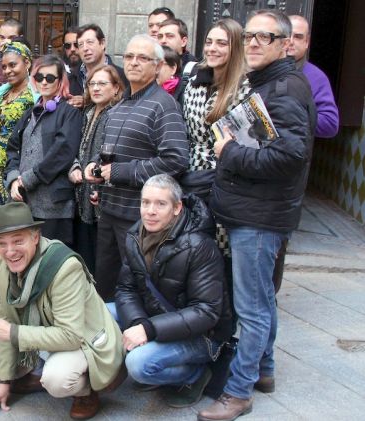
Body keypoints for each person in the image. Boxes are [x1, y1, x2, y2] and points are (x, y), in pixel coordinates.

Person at [198, 10, 316, 421]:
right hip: (254, 210)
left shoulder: (283, 88)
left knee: (252, 307)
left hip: (259, 217)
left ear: (285, 44)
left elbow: (289, 155)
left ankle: (239, 391)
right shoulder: (271, 81)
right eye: (248, 35)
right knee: (262, 298)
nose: (251, 43)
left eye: (263, 37)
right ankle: (263, 370)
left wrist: (229, 152)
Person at [0, 202, 126, 420]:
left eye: (18, 241)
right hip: (44, 331)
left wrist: (12, 332)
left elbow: (71, 336)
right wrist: (4, 381)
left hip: (84, 339)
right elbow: (5, 318)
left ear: (35, 237)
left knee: (57, 379)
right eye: (2, 243)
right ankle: (29, 374)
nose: (10, 251)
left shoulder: (64, 267)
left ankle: (89, 389)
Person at [84, 34, 189, 301]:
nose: (133, 63)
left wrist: (121, 172)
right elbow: (109, 154)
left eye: (143, 58)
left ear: (157, 66)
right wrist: (95, 167)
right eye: (129, 57)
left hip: (139, 217)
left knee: (139, 290)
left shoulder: (165, 105)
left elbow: (176, 159)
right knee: (105, 286)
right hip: (109, 211)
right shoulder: (118, 107)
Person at [115, 174, 233, 408]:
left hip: (204, 336)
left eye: (160, 204)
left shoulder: (199, 245)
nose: (150, 211)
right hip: (159, 318)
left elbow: (207, 312)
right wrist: (138, 322)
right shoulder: (135, 235)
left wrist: (148, 330)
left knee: (138, 365)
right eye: (145, 202)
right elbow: (125, 288)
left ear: (177, 207)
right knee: (99, 315)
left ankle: (194, 376)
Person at [182, 18, 251, 259]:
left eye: (222, 43)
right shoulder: (194, 82)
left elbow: (253, 141)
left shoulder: (246, 88)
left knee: (220, 249)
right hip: (191, 175)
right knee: (192, 245)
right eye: (209, 42)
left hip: (226, 180)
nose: (212, 48)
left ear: (236, 48)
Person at [5, 54, 82, 246]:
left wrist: (29, 178)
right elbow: (13, 148)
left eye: (50, 78)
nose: (44, 82)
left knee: (52, 258)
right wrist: (14, 179)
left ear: (60, 80)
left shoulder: (69, 113)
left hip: (54, 205)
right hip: (24, 201)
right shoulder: (30, 112)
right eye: (39, 77)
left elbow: (62, 152)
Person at [68, 64, 124, 272]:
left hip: (100, 193)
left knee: (98, 259)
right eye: (92, 83)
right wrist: (74, 167)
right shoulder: (88, 112)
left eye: (102, 83)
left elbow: (106, 155)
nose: (96, 88)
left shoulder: (115, 115)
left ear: (116, 88)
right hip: (79, 191)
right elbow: (74, 145)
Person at [0, 40, 38, 202]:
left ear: (27, 62)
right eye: (4, 67)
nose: (8, 71)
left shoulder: (35, 96)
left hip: (18, 164)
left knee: (14, 212)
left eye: (13, 65)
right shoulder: (1, 93)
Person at [287, 15, 339, 139]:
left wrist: (288, 115)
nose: (291, 41)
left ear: (307, 42)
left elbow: (330, 124)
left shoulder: (316, 76)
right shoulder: (261, 66)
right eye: (287, 35)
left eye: (298, 37)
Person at [68, 24, 127, 106]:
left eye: (90, 42)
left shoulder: (122, 76)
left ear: (102, 44)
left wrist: (87, 102)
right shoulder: (70, 78)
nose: (85, 48)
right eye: (81, 44)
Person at [0, 18, 24, 86]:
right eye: (2, 37)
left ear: (21, 38)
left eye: (11, 38)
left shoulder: (27, 64)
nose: (5, 42)